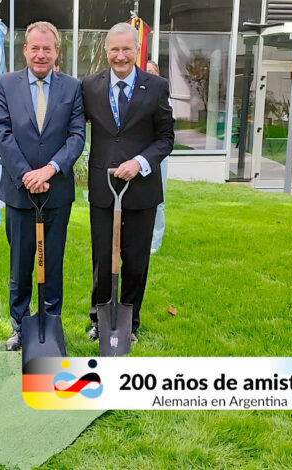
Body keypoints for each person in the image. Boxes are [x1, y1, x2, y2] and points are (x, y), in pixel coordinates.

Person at [0, 21, 85, 351]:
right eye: (35, 47)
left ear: (57, 51)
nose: (41, 54)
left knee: (53, 262)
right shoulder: (3, 85)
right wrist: (27, 176)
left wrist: (49, 170)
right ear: (25, 50)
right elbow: (2, 134)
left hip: (57, 193)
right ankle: (20, 326)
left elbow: (77, 136)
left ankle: (50, 325)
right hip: (19, 193)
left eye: (48, 48)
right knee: (20, 264)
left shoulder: (72, 88)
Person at [81, 23, 174, 343]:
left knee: (135, 259)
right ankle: (99, 319)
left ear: (137, 50)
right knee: (103, 258)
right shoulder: (90, 86)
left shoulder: (157, 86)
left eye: (126, 49)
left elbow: (166, 139)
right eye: (114, 49)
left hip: (142, 189)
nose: (120, 56)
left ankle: (130, 321)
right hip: (104, 187)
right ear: (105, 51)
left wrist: (140, 163)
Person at [145, 59, 169, 254]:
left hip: (158, 156)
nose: (148, 74)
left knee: (158, 199)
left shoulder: (161, 93)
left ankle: (155, 241)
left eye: (152, 72)